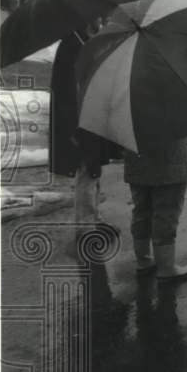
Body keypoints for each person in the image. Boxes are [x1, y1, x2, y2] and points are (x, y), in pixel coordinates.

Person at [49, 20, 115, 251]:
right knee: (86, 172)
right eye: (95, 17)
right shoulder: (72, 44)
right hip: (80, 120)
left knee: (93, 171)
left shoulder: (84, 41)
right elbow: (67, 88)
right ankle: (85, 230)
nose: (99, 21)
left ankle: (92, 221)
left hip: (91, 117)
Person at [124, 137, 187, 281]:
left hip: (136, 159)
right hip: (169, 161)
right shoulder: (172, 113)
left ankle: (143, 261)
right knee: (166, 213)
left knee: (141, 210)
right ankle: (166, 268)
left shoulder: (126, 114)